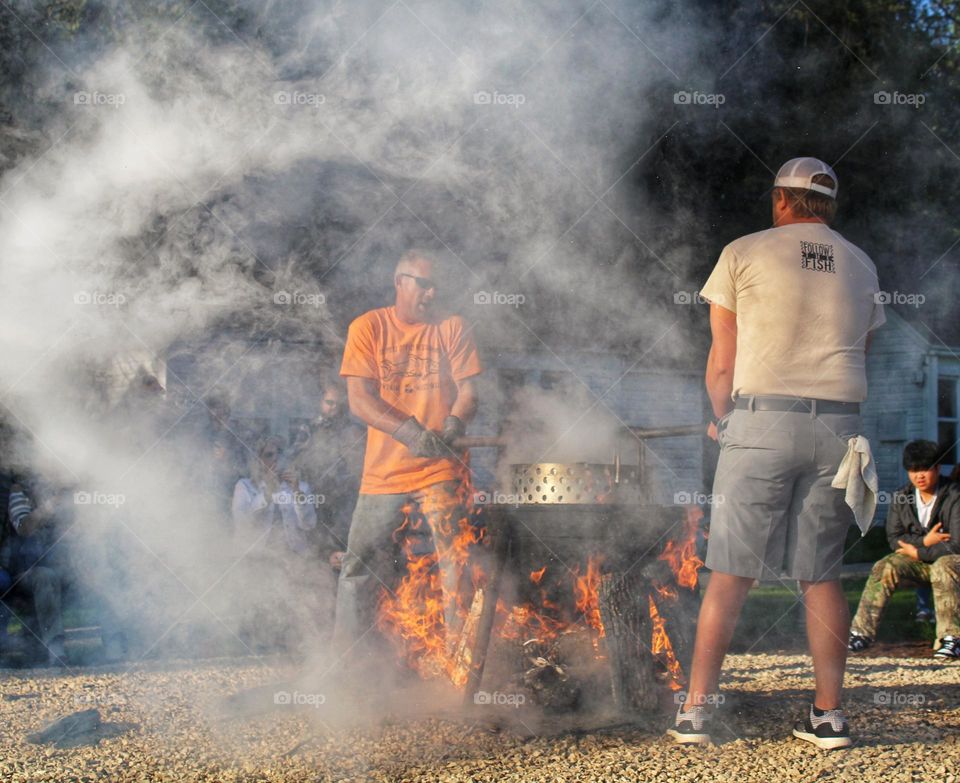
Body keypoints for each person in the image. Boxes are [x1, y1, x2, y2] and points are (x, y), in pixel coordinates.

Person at [668, 158, 886, 749]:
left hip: (762, 419)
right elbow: (861, 350)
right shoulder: (862, 263)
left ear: (781, 200)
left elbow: (722, 361)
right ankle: (828, 717)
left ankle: (696, 712)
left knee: (730, 573)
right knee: (821, 576)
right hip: (839, 432)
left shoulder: (743, 252)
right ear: (829, 205)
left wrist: (722, 419)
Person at [331, 248, 482, 679]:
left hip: (441, 471)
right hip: (383, 474)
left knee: (456, 563)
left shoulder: (453, 327)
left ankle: (462, 667)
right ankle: (349, 668)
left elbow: (469, 393)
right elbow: (359, 401)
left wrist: (453, 424)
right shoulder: (367, 327)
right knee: (357, 567)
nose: (432, 294)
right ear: (400, 282)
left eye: (437, 287)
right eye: (424, 284)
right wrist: (411, 433)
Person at [848, 440, 960, 658]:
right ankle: (860, 634)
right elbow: (895, 538)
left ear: (937, 468)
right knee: (885, 565)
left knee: (944, 566)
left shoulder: (955, 495)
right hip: (919, 561)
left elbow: (956, 543)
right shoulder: (902, 496)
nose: (919, 476)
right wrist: (926, 542)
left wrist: (918, 551)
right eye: (913, 470)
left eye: (925, 469)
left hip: (952, 562)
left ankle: (951, 638)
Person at [231, 435, 323, 651]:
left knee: (295, 600)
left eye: (278, 455)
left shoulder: (301, 487)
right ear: (258, 459)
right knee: (259, 599)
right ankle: (256, 644)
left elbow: (308, 524)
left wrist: (297, 492)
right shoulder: (245, 486)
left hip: (292, 553)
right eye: (269, 455)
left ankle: (291, 644)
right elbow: (243, 522)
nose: (274, 461)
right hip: (257, 553)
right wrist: (267, 494)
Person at [292, 379, 365, 576]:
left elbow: (361, 465)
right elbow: (296, 460)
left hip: (348, 496)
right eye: (329, 402)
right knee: (320, 551)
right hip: (318, 496)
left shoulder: (353, 430)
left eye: (338, 404)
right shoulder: (309, 429)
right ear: (321, 402)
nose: (333, 408)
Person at [5, 479, 67, 666]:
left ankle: (116, 644)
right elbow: (24, 528)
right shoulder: (20, 491)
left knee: (101, 573)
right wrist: (50, 504)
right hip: (27, 571)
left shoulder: (71, 493)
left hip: (65, 567)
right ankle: (56, 649)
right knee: (46, 576)